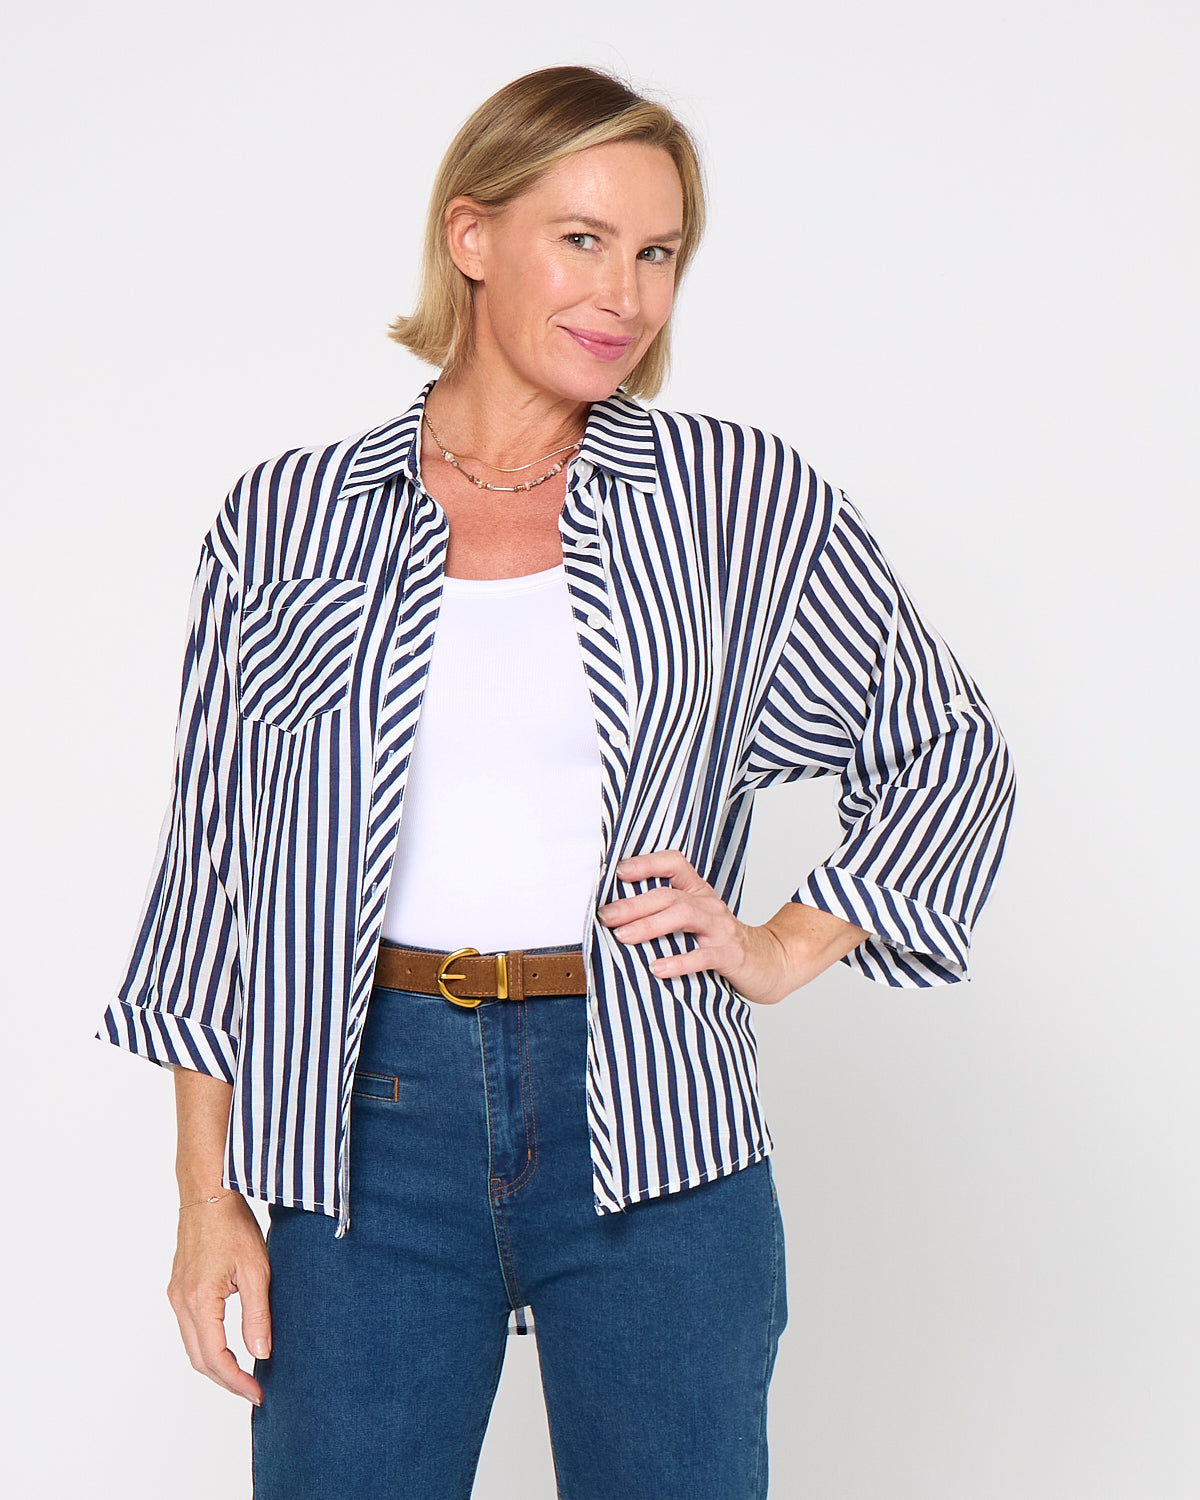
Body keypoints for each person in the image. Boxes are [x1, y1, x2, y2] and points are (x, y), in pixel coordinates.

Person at [98, 64, 1015, 1499]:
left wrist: (783, 945)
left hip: (653, 1107)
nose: (625, 295)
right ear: (472, 236)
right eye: (582, 239)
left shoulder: (734, 501)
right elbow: (215, 877)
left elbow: (946, 746)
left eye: (657, 253)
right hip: (366, 1128)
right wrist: (205, 1196)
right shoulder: (287, 519)